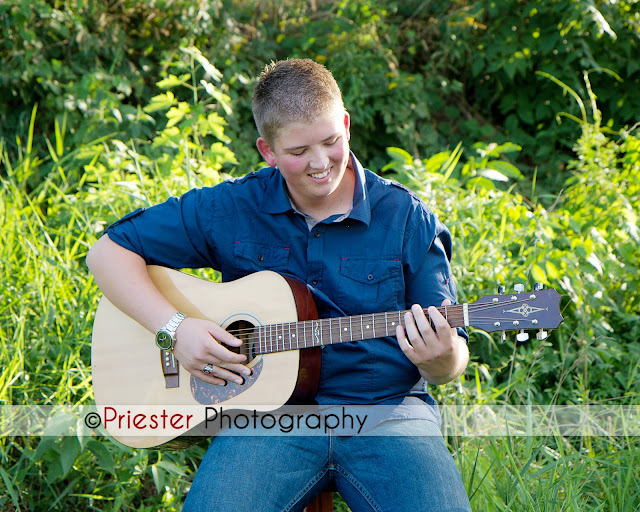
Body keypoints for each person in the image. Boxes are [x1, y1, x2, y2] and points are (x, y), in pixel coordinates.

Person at [87, 58, 472, 511]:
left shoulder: (406, 217)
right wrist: (175, 329)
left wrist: (442, 360)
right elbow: (106, 253)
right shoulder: (232, 207)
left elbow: (451, 359)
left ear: (346, 125)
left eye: (331, 141)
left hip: (387, 412)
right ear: (267, 151)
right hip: (267, 418)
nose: (320, 163)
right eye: (298, 151)